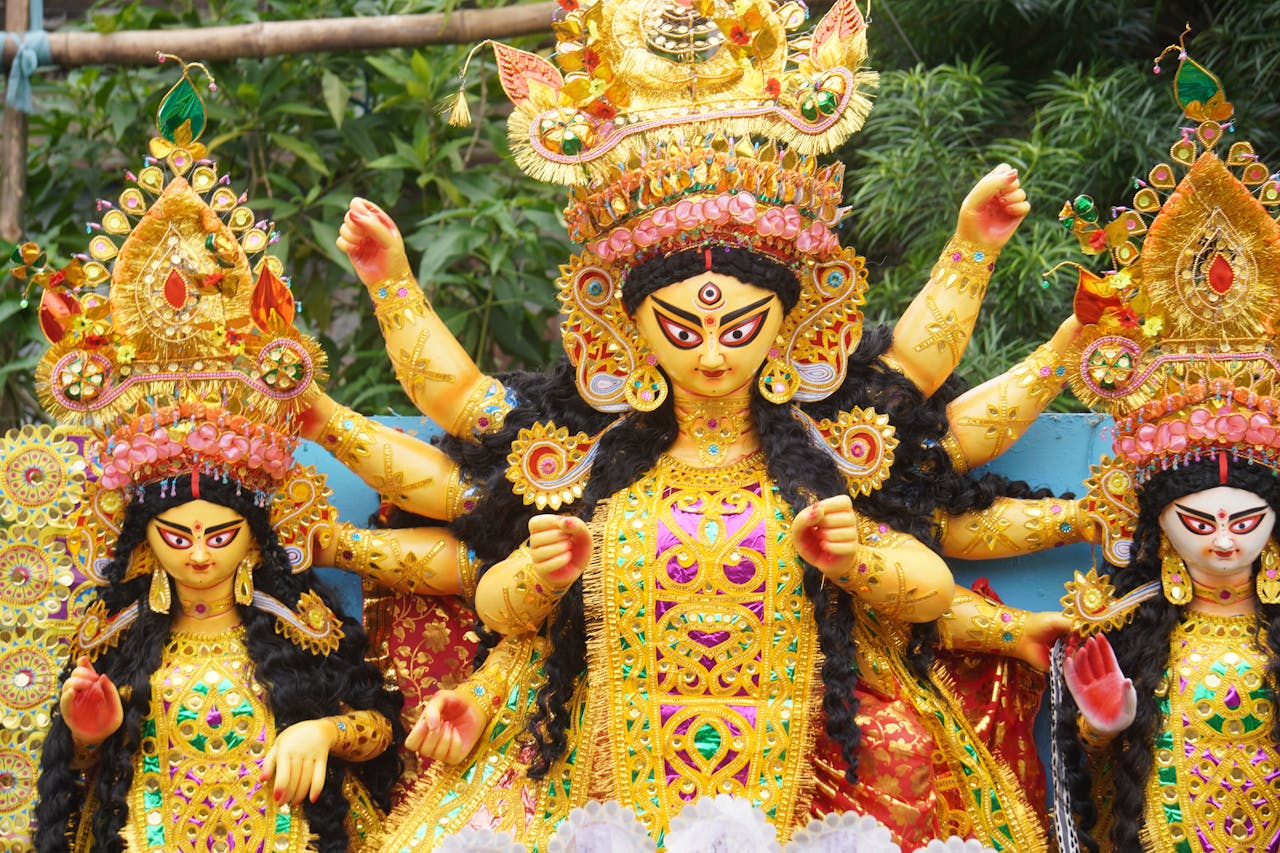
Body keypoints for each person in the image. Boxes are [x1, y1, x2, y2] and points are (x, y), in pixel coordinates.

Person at [302, 2, 1095, 848]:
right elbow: (503, 605)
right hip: (602, 783)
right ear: (624, 329)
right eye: (683, 331)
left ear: (790, 325)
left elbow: (927, 586)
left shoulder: (825, 455)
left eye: (739, 327)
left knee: (899, 752)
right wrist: (541, 570)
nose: (713, 354)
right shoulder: (580, 459)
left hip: (805, 774)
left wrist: (850, 557)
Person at [15, 58, 403, 853]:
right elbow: (77, 769)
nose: (198, 555)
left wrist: (323, 731)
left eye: (220, 535)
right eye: (178, 535)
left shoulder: (297, 622)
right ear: (142, 539)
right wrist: (89, 732)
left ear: (258, 536)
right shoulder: (118, 630)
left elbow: (376, 723)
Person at [1052, 42, 1280, 852]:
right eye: (1200, 522)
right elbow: (1094, 771)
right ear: (1153, 521)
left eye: (1244, 523)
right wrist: (1105, 721)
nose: (1222, 542)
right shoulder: (1133, 620)